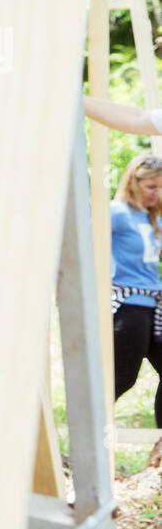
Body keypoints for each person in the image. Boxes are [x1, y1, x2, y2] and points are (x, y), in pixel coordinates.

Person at [107, 153, 162, 427]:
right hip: (129, 306)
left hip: (155, 305)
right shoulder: (117, 213)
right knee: (123, 377)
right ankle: (85, 434)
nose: (157, 193)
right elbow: (84, 247)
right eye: (151, 187)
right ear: (133, 183)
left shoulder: (154, 218)